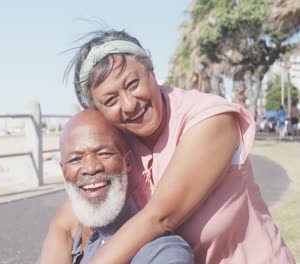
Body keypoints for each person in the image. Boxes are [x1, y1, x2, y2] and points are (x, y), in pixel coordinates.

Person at [39, 30, 295, 264]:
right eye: (110, 100)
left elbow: (159, 217)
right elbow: (64, 225)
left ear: (150, 68)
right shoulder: (121, 140)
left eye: (132, 84)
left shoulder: (209, 120)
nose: (129, 104)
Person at [38, 109, 194, 264]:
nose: (91, 168)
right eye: (75, 159)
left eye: (104, 153)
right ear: (63, 170)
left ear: (127, 162)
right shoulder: (62, 242)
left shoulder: (160, 251)